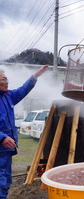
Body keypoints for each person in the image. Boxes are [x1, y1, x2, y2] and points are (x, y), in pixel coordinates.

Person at [0, 65, 48, 198]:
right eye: (4, 79)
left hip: (5, 150)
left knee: (6, 180)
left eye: (7, 79)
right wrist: (2, 137)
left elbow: (22, 90)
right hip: (1, 147)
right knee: (1, 182)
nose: (7, 82)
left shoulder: (7, 96)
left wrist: (35, 76)